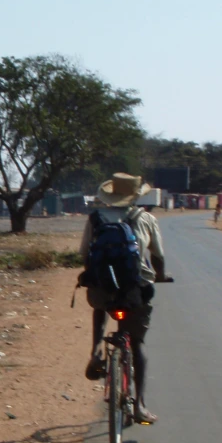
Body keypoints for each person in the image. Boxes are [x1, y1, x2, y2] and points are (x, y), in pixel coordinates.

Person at [80, 173, 168, 424]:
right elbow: (158, 256)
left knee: (99, 306)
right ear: (135, 196)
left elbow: (84, 253)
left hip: (102, 288)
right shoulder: (146, 218)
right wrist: (160, 275)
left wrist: (95, 274)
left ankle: (96, 350)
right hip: (135, 290)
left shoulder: (95, 219)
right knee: (137, 343)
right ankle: (139, 405)